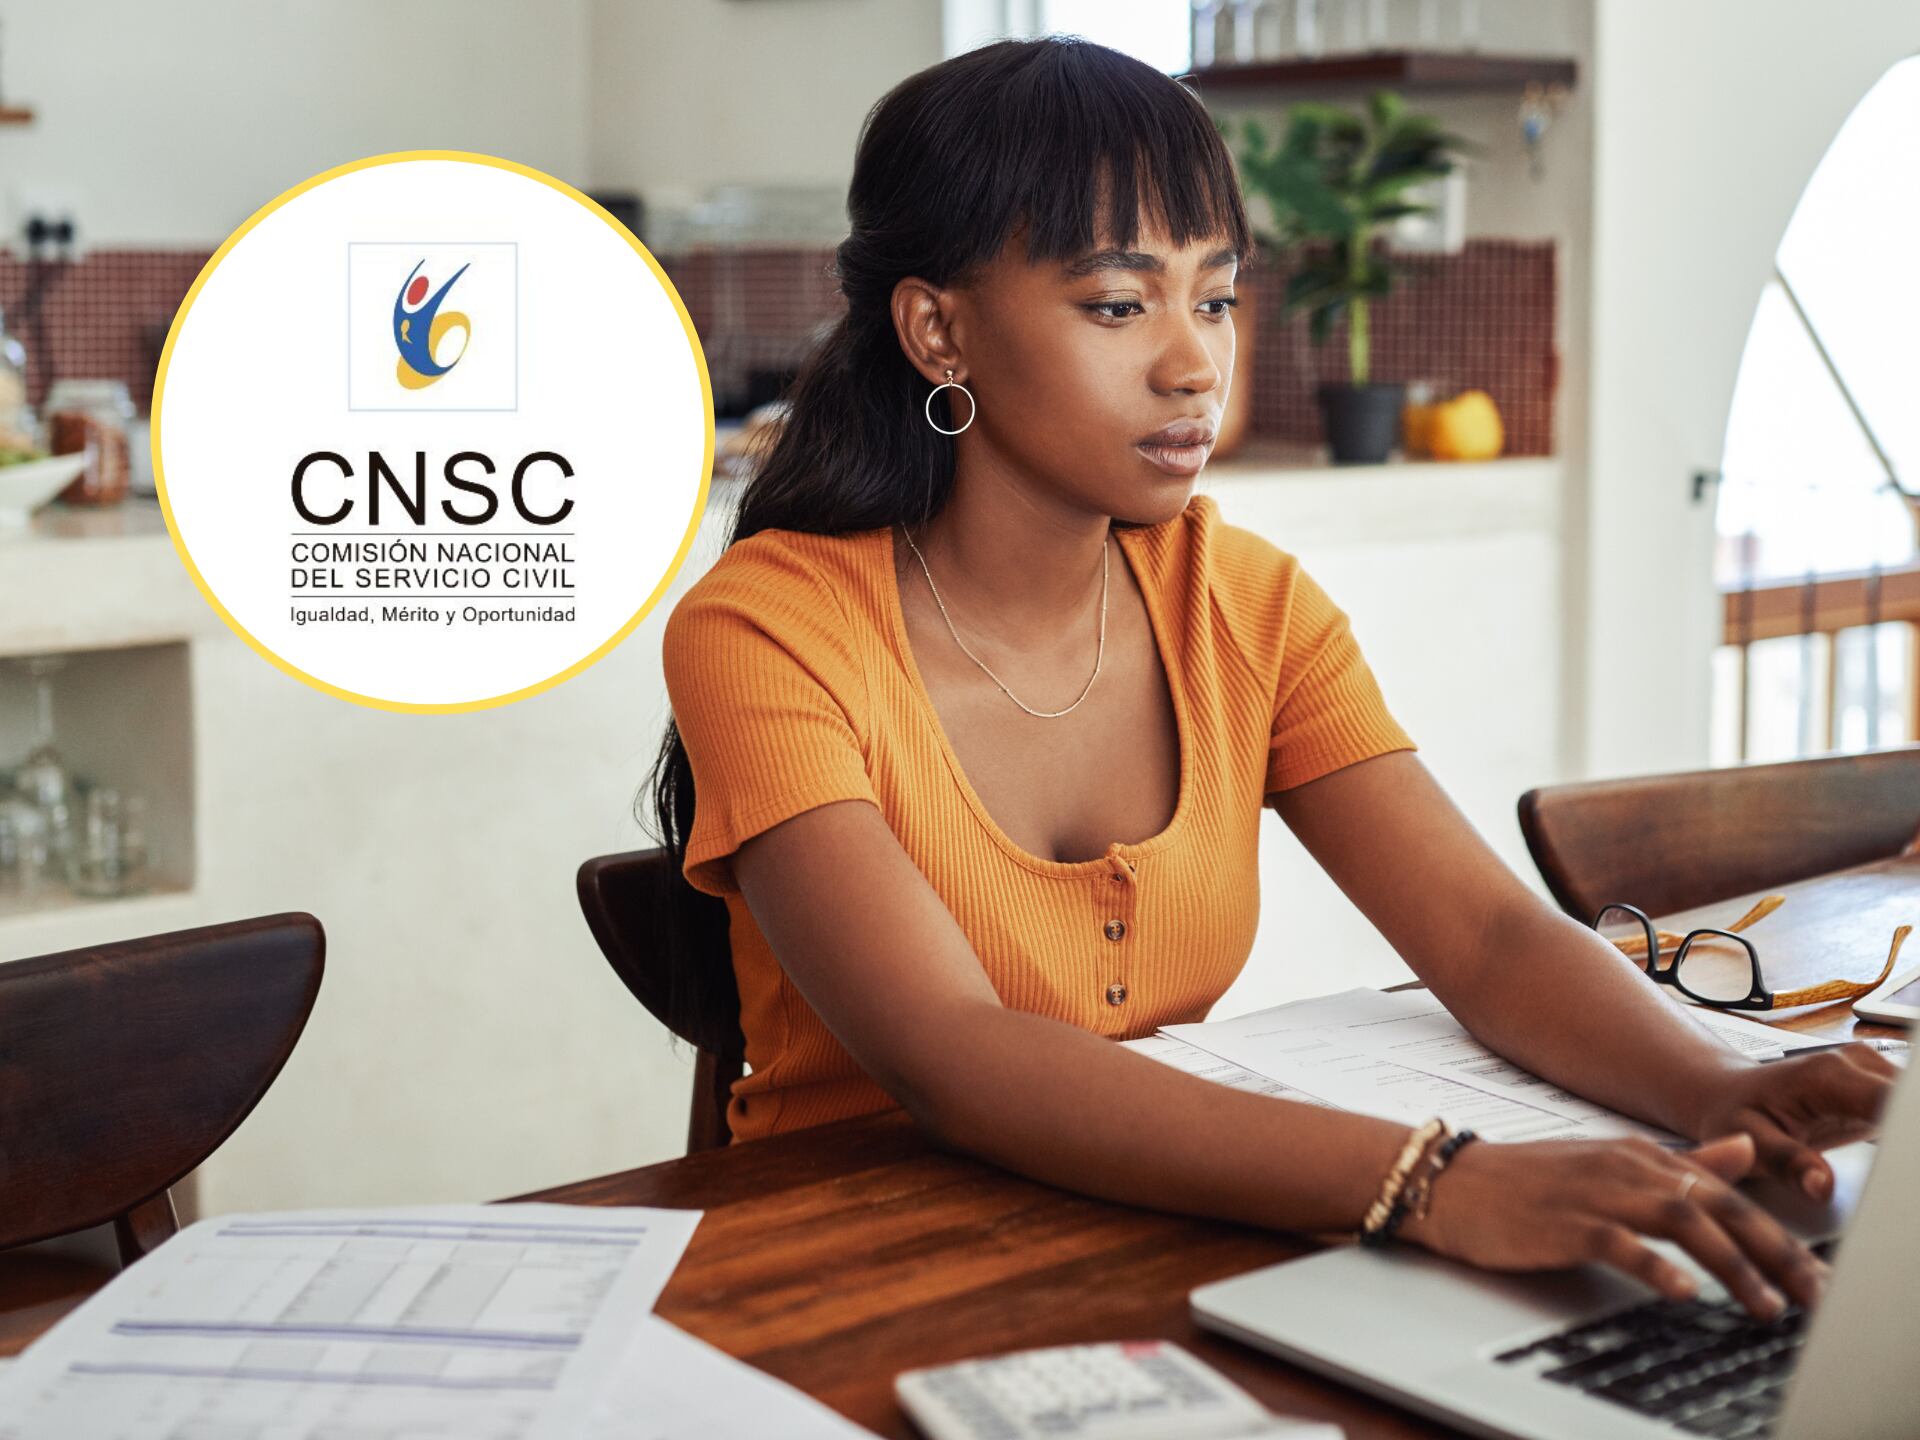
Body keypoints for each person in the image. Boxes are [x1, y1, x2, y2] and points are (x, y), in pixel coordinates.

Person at [647, 35, 1894, 1324]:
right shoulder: (767, 630)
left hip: (1166, 1230)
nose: (1193, 362)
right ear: (937, 330)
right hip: (839, 1267)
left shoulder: (1244, 602)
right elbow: (957, 1055)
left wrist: (1716, 1091)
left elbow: (1483, 934)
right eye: (1119, 305)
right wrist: (1433, 1183)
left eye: (1219, 298)